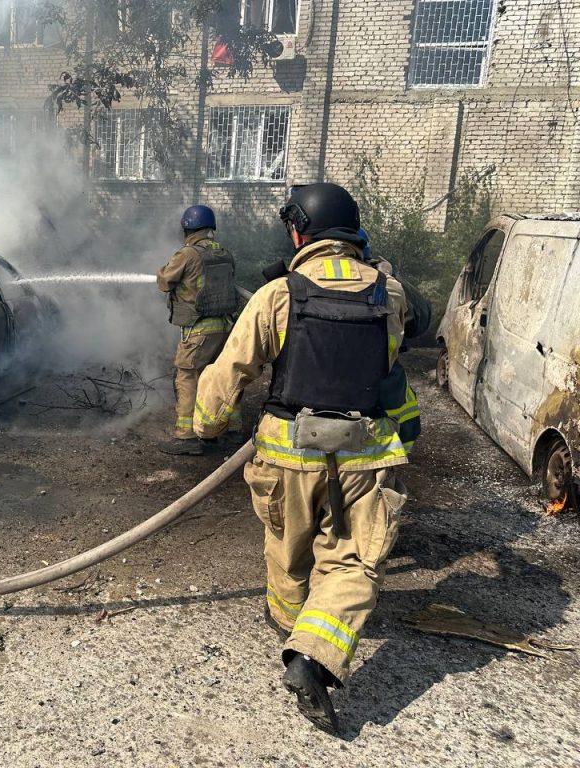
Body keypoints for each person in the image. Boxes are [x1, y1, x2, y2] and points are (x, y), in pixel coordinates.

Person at [193, 183, 427, 733]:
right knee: (351, 561)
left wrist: (208, 423)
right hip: (363, 455)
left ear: (300, 231)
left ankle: (293, 633)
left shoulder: (277, 295)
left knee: (287, 550)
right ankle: (311, 655)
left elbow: (228, 374)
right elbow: (406, 332)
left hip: (286, 456)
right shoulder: (386, 293)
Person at [156, 204, 241, 456]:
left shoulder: (188, 254)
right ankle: (230, 430)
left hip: (199, 330)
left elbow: (164, 281)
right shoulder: (225, 253)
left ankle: (186, 437)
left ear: (187, 228)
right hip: (225, 328)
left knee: (188, 376)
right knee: (222, 378)